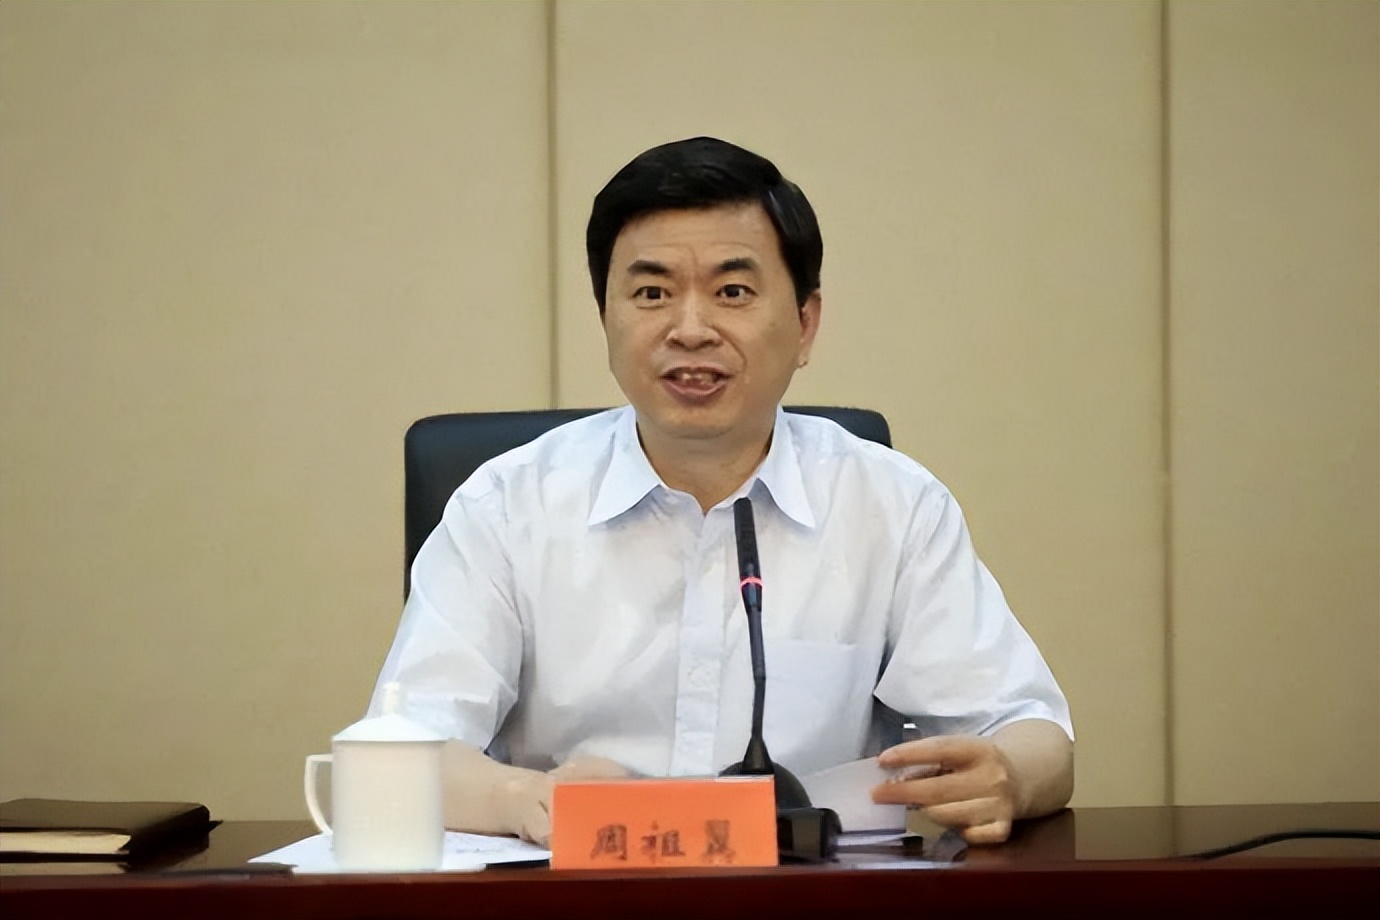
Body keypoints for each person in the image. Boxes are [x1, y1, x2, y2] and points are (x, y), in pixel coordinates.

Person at [369, 136, 1074, 847]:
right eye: (652, 293)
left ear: (805, 324)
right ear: (606, 318)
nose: (690, 329)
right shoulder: (505, 507)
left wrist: (1008, 775)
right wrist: (529, 800)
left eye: (732, 292)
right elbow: (400, 754)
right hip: (576, 888)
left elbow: (1032, 733)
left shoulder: (891, 507)